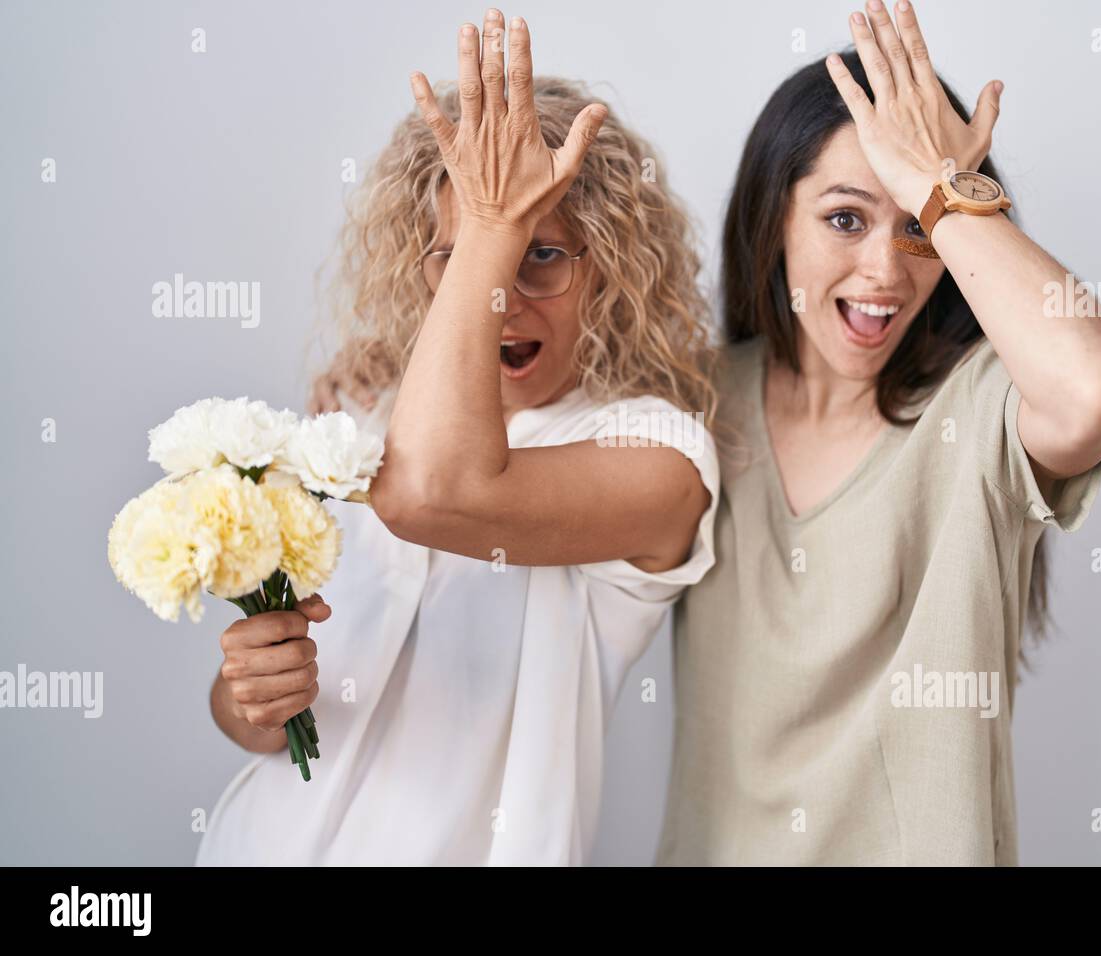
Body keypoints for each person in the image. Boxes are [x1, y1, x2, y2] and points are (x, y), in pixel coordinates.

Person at [197, 9, 719, 866]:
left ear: (614, 270)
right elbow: (257, 730)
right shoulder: (355, 418)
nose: (504, 296)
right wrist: (249, 690)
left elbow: (436, 491)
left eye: (541, 252)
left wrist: (486, 227)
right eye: (461, 253)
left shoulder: (657, 456)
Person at [655, 1, 1101, 865]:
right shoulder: (696, 403)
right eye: (845, 218)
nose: (886, 269)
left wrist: (943, 189)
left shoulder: (983, 403)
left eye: (915, 227)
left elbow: (1096, 387)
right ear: (775, 219)